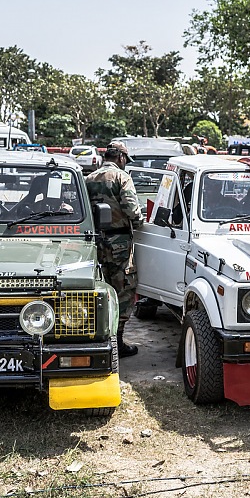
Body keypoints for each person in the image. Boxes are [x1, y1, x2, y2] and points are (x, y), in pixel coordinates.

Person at [85, 141, 143, 358]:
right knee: (124, 289)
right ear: (120, 158)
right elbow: (132, 210)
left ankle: (98, 338)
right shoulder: (122, 178)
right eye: (125, 160)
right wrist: (138, 222)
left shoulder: (88, 178)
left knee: (99, 288)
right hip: (119, 241)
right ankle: (117, 342)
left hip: (94, 241)